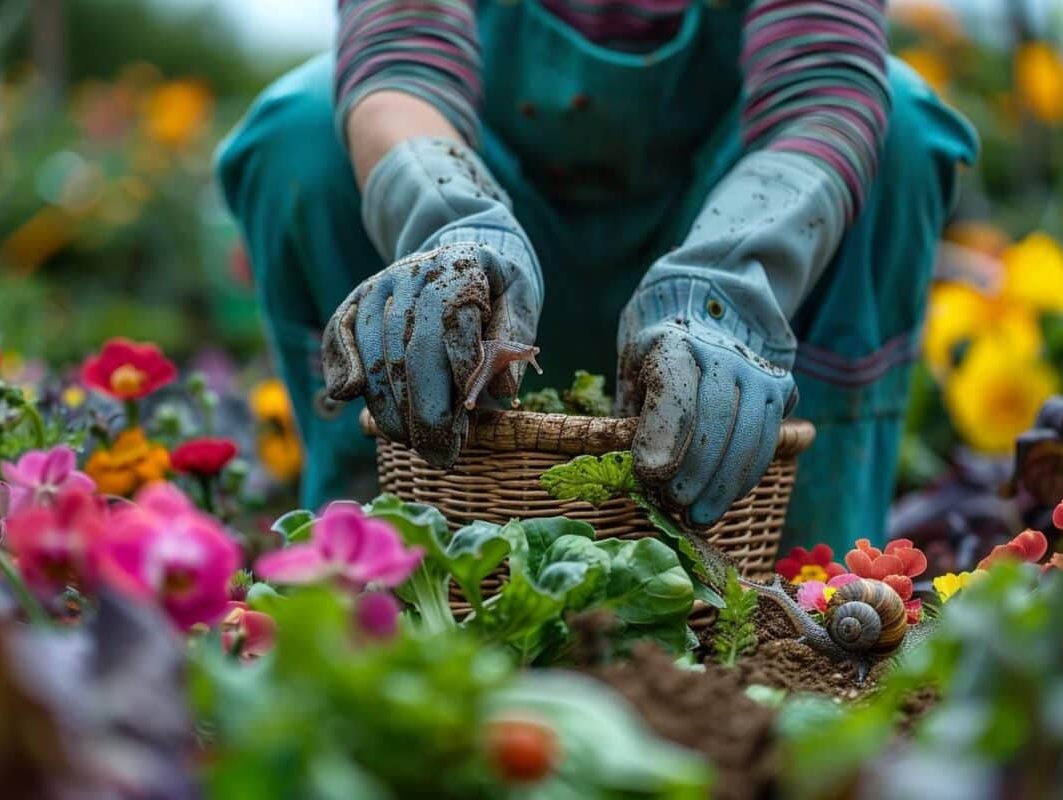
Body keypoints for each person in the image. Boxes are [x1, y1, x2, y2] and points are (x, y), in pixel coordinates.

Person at [218, 0, 977, 551]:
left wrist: (723, 287)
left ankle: (805, 570)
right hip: (498, 287)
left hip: (738, 267)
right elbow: (400, 60)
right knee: (303, 129)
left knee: (899, 121)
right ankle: (378, 548)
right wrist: (453, 225)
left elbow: (822, 84)